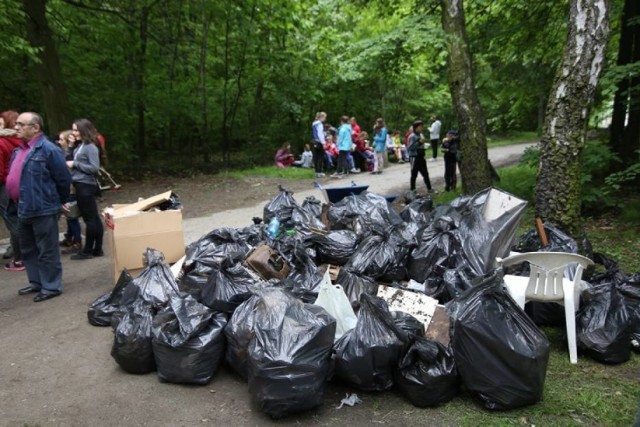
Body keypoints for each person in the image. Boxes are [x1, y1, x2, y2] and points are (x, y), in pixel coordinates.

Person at [7, 112, 71, 301]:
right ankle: (36, 282)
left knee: (47, 249)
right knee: (28, 249)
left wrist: (60, 201)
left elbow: (63, 178)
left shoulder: (49, 149)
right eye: (16, 124)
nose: (16, 127)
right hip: (22, 207)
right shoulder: (20, 150)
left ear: (35, 128)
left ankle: (51, 286)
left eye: (21, 124)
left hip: (43, 208)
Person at [67, 118, 104, 260]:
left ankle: (87, 250)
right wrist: (71, 146)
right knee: (93, 217)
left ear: (83, 130)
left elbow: (94, 168)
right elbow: (68, 158)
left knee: (90, 219)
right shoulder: (80, 145)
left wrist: (75, 164)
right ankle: (97, 249)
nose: (73, 132)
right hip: (80, 184)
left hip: (86, 185)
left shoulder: (90, 147)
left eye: (76, 130)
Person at [0, 110, 25, 271]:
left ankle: (19, 258)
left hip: (4, 186)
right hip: (20, 184)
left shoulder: (2, 142)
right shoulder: (21, 141)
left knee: (12, 221)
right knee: (21, 219)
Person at [58, 130, 82, 253]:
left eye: (62, 139)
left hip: (71, 188)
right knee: (68, 216)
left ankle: (77, 241)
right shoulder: (62, 153)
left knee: (72, 216)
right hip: (66, 188)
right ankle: (69, 237)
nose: (59, 141)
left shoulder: (70, 154)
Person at [407, 119, 435, 194]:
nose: (421, 128)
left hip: (421, 156)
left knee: (425, 173)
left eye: (422, 127)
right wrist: (419, 143)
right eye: (420, 127)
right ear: (416, 128)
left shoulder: (421, 135)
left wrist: (423, 146)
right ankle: (413, 190)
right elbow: (410, 148)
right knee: (414, 174)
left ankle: (430, 188)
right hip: (414, 157)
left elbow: (421, 144)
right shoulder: (412, 136)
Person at [311, 112, 326, 178]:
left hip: (314, 141)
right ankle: (320, 172)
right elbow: (320, 134)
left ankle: (316, 172)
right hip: (319, 142)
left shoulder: (314, 124)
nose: (325, 119)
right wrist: (323, 143)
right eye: (325, 117)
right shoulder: (320, 124)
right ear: (321, 117)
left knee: (316, 157)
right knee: (320, 157)